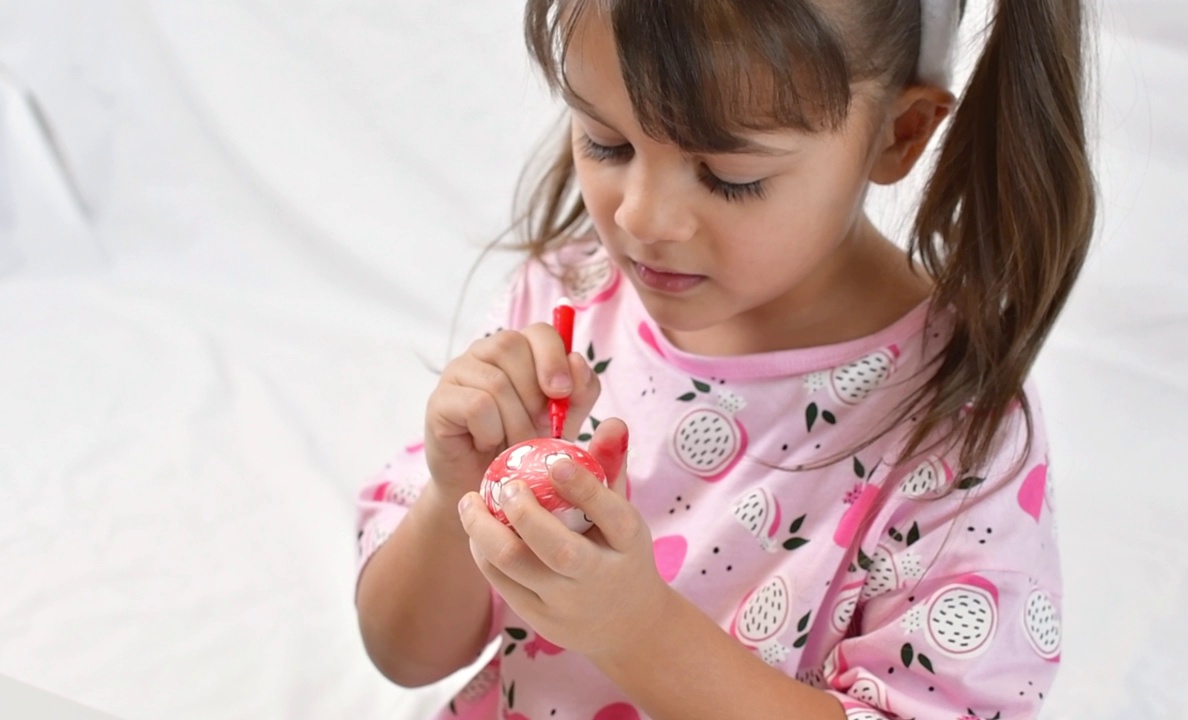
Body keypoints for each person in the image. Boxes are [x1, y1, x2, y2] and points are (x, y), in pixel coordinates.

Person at [354, 0, 1095, 717]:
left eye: (729, 176)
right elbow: (405, 654)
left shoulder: (953, 431)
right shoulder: (566, 300)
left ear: (898, 134)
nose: (641, 217)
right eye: (606, 143)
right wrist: (455, 502)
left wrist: (637, 631)